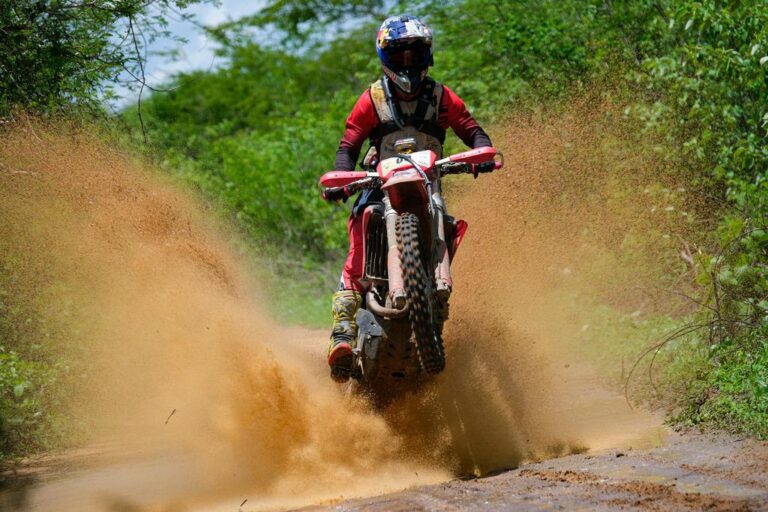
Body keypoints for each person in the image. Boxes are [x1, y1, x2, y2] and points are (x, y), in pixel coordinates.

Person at [322, 14, 493, 382]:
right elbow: (348, 145)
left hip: (428, 186)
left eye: (415, 55)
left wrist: (484, 153)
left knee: (448, 223)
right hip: (379, 185)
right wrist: (339, 178)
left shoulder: (441, 97)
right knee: (361, 229)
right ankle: (343, 332)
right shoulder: (372, 99)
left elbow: (473, 130)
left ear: (427, 56)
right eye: (399, 56)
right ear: (385, 57)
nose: (408, 63)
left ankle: (434, 297)